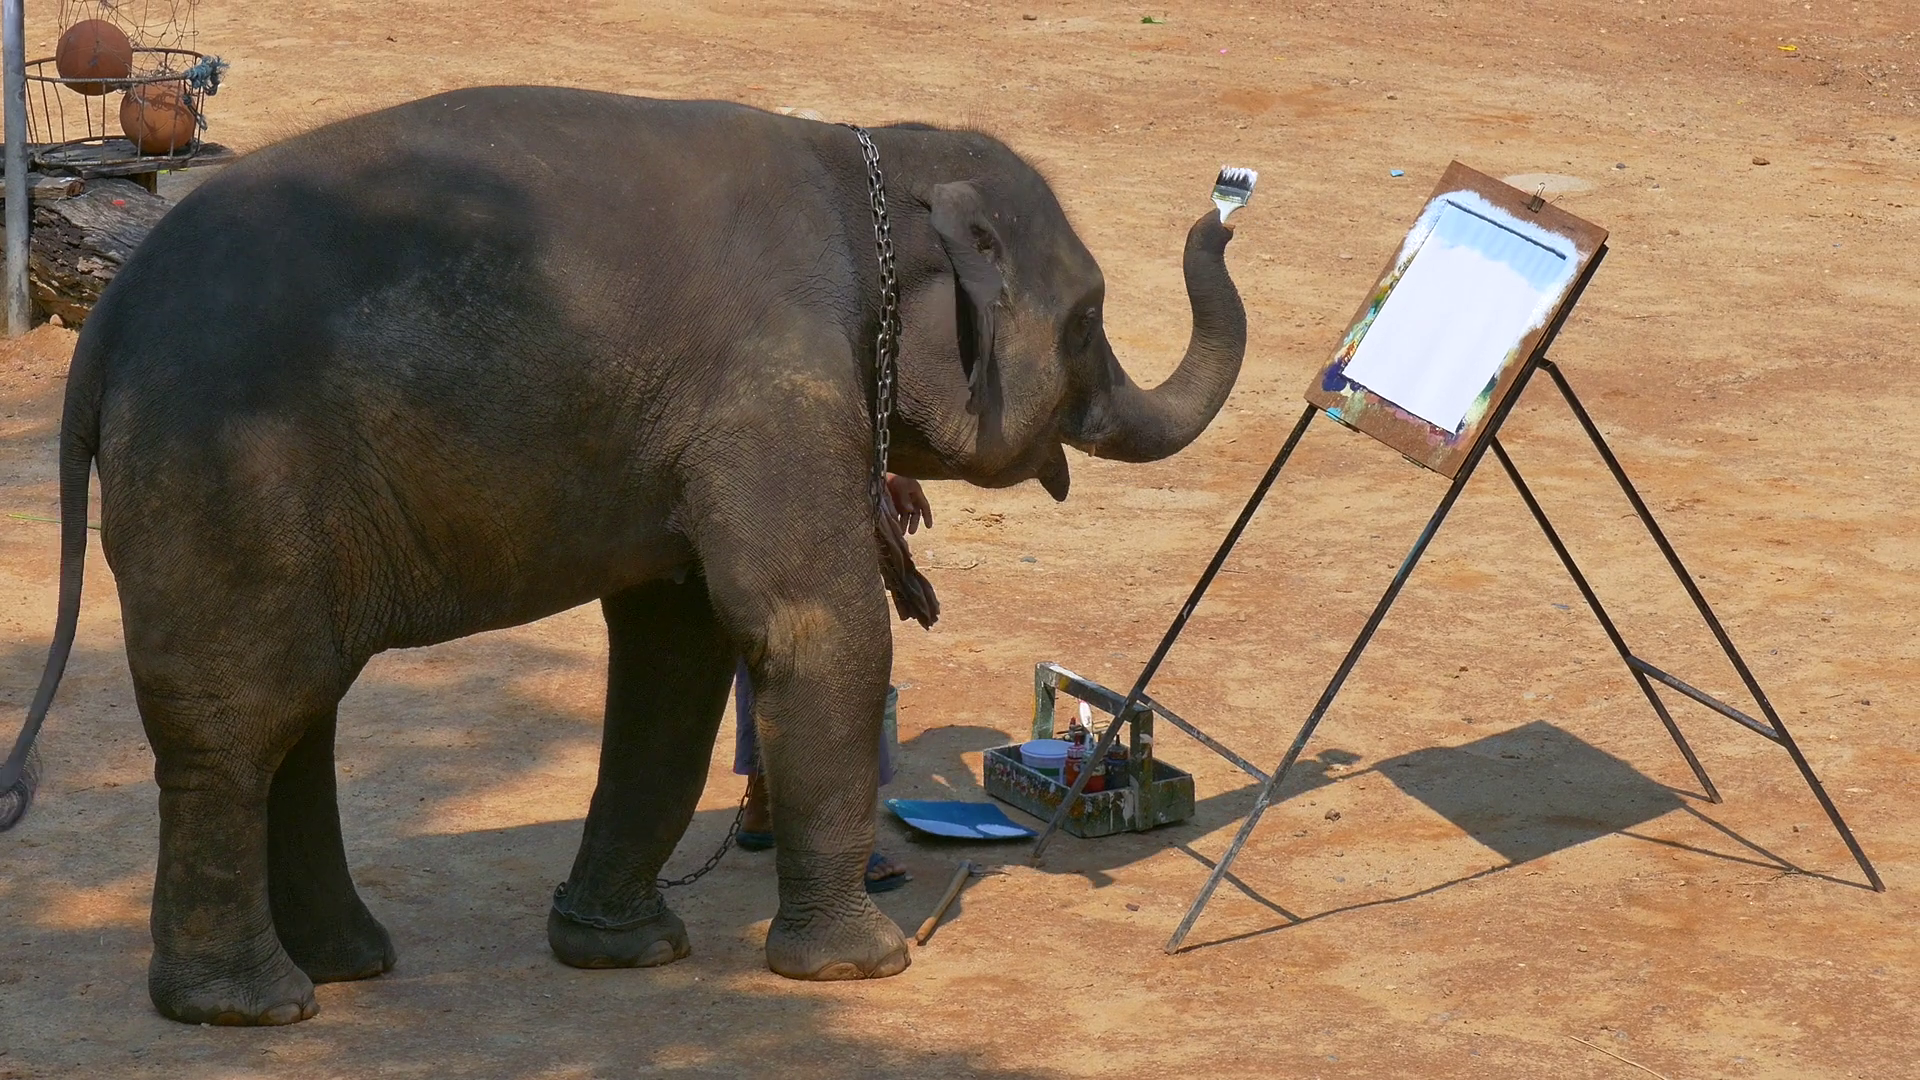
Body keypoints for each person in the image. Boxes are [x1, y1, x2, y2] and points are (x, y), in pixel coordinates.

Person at [730, 473, 933, 893]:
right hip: (810, 482)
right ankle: (839, 840)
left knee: (767, 626)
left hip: (752, 491)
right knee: (842, 649)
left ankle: (764, 803)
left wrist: (890, 471)